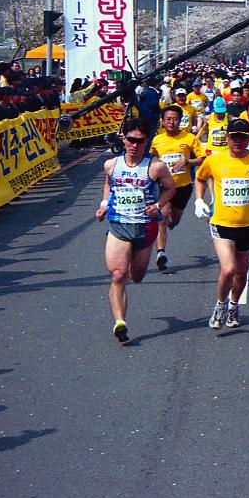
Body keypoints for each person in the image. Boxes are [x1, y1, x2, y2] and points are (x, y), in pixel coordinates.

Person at [194, 117, 249, 329]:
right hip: (222, 224)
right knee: (228, 269)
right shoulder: (214, 160)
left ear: (248, 139)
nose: (238, 142)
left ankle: (234, 306)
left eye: (243, 138)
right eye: (234, 137)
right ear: (227, 138)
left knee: (242, 273)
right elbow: (199, 177)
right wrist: (199, 200)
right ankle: (220, 304)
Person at [96, 118, 176, 343]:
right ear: (124, 139)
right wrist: (104, 206)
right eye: (131, 140)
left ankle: (134, 261)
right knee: (118, 275)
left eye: (140, 141)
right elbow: (109, 184)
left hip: (145, 227)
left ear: (146, 142)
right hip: (119, 225)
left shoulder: (155, 166)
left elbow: (171, 188)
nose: (135, 145)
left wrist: (158, 205)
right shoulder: (111, 164)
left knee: (137, 276)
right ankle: (120, 322)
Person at [149, 104, 207, 271]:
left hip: (183, 187)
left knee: (174, 220)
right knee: (163, 217)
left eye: (175, 119)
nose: (171, 122)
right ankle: (161, 253)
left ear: (180, 121)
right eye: (168, 119)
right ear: (163, 121)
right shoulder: (157, 140)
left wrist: (187, 161)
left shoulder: (189, 138)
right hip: (164, 187)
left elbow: (203, 158)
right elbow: (151, 160)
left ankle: (171, 224)